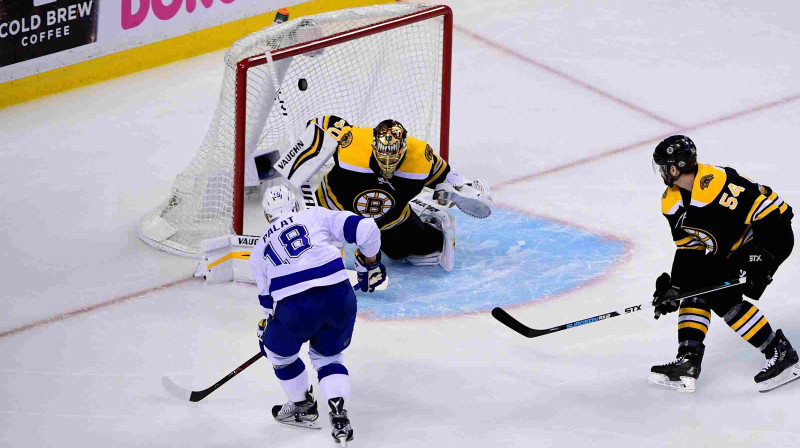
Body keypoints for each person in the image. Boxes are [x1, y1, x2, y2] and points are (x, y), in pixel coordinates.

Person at [649, 135, 798, 393]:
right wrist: (675, 286)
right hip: (737, 243)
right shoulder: (671, 200)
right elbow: (690, 247)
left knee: (722, 296)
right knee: (695, 288)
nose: (661, 171)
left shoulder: (716, 184)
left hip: (771, 237)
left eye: (664, 166)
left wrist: (760, 262)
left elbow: (769, 215)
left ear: (676, 167)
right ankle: (688, 360)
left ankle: (781, 354)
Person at [249, 184, 386, 446]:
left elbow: (268, 303)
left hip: (294, 307)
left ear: (267, 216)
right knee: (329, 356)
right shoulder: (315, 215)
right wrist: (370, 264)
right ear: (297, 205)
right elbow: (367, 228)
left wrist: (266, 333)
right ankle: (339, 415)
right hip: (339, 296)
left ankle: (302, 406)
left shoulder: (258, 250)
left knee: (280, 355)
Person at [309, 115, 492, 271]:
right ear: (373, 145)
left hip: (388, 219)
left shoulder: (420, 156)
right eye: (382, 156)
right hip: (333, 207)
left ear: (404, 148)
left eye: (393, 157)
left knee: (408, 250)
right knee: (309, 249)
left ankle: (428, 220)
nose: (387, 163)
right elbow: (319, 124)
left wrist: (467, 187)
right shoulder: (352, 141)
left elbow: (447, 177)